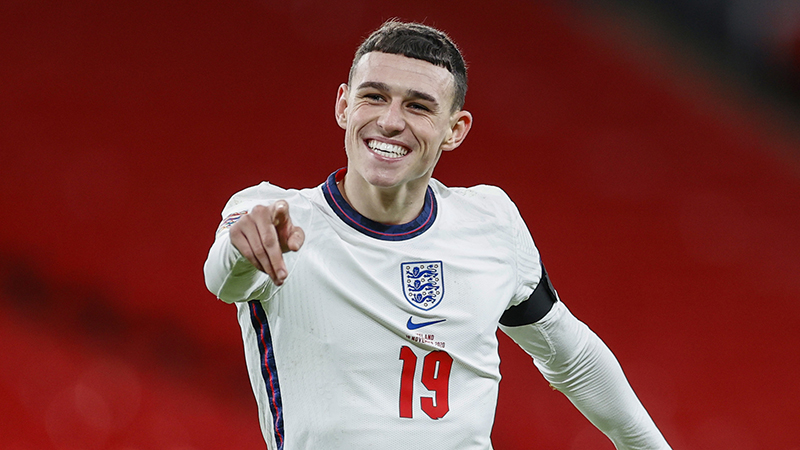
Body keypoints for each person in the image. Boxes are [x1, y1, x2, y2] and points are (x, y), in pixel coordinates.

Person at [204, 20, 671, 450]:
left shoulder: (490, 221)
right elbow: (223, 278)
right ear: (343, 106)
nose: (389, 121)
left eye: (418, 106)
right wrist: (245, 246)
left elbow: (572, 355)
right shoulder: (275, 213)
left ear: (455, 130)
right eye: (374, 97)